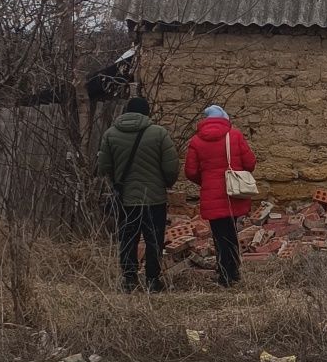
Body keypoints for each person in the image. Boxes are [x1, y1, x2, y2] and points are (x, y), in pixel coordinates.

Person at [95, 94, 179, 292]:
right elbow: (171, 167)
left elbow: (103, 166)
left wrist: (117, 180)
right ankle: (152, 280)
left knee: (127, 239)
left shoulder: (110, 134)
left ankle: (129, 279)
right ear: (147, 112)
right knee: (154, 239)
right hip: (154, 198)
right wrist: (166, 184)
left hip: (126, 198)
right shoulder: (159, 133)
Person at [184, 104, 258, 287]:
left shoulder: (195, 141)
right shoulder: (234, 135)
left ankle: (224, 271)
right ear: (224, 118)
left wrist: (207, 181)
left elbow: (190, 171)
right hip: (233, 193)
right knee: (231, 231)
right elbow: (250, 163)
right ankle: (232, 271)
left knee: (219, 234)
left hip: (211, 194)